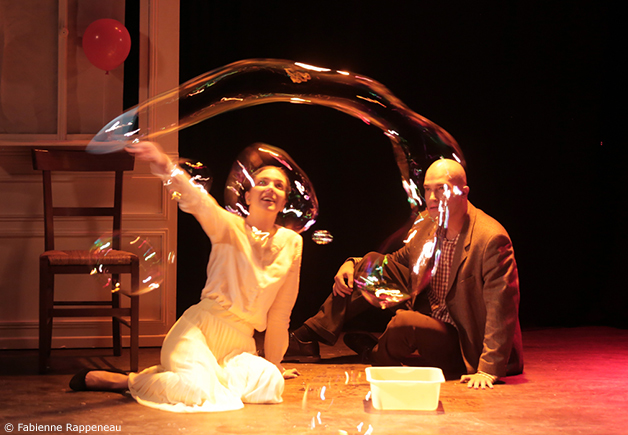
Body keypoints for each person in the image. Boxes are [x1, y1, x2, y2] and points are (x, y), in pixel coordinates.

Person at [70, 141, 303, 412]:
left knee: (271, 382)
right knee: (196, 391)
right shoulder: (229, 226)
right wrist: (163, 164)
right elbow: (197, 200)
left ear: (284, 202)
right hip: (199, 332)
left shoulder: (292, 243)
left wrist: (274, 364)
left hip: (239, 346)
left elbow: (280, 315)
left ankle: (196, 378)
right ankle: (127, 381)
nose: (271, 188)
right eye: (263, 182)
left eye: (279, 186)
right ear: (248, 196)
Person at [286, 158, 523, 389]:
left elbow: (502, 309)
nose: (432, 198)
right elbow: (395, 261)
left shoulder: (490, 238)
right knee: (369, 266)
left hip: (464, 341)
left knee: (405, 322)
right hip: (431, 312)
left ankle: (375, 353)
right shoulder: (428, 222)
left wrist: (488, 368)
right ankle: (306, 337)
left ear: (463, 192)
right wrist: (354, 265)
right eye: (427, 189)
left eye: (441, 189)